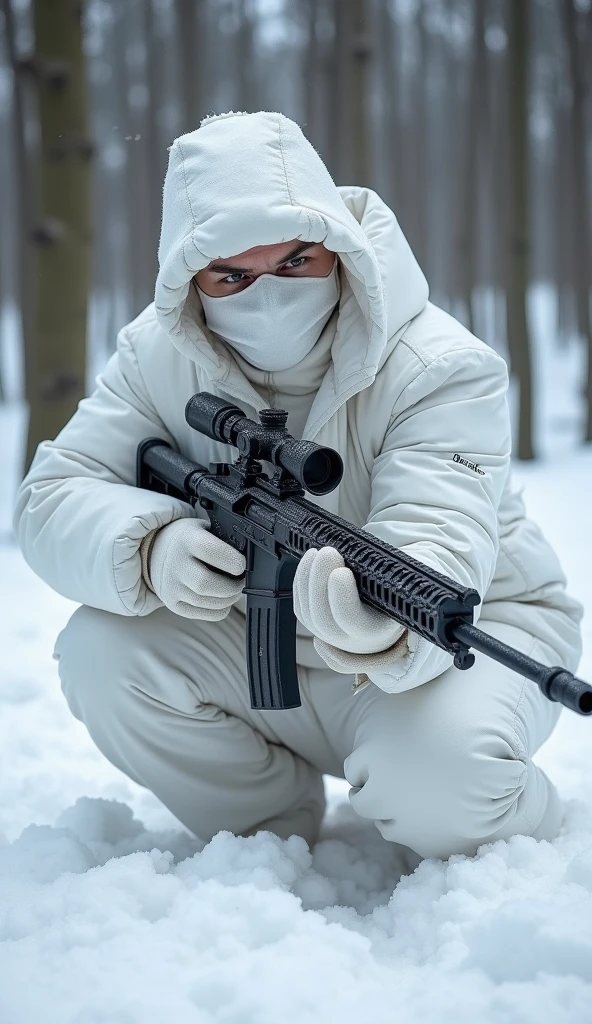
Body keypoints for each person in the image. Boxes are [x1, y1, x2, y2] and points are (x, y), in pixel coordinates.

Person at [14, 111, 583, 864]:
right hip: (258, 640)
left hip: (460, 636)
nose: (269, 295)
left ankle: (539, 834)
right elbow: (52, 499)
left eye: (294, 261)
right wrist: (151, 546)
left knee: (444, 791)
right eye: (232, 275)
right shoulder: (158, 355)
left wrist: (388, 619)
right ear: (192, 281)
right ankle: (266, 828)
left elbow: (438, 531)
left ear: (339, 253)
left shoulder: (441, 365)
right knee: (99, 651)